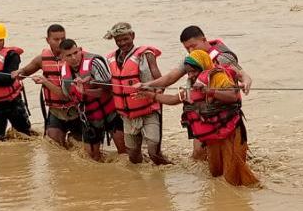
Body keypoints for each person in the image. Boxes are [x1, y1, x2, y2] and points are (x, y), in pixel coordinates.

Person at [138, 50, 258, 186]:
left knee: (234, 172)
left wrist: (209, 91)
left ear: (203, 67)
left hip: (231, 131)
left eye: (194, 71)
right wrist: (150, 95)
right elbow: (172, 99)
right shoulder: (192, 86)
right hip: (213, 135)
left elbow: (232, 96)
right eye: (188, 72)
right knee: (215, 172)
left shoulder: (218, 76)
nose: (191, 75)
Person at [140, 25, 253, 160]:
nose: (191, 50)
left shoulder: (222, 57)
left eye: (193, 46)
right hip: (202, 112)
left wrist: (246, 83)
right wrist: (147, 85)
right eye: (187, 48)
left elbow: (242, 74)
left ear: (204, 40)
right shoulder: (191, 60)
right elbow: (170, 78)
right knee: (198, 154)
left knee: (233, 155)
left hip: (225, 111)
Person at [33, 39, 126, 161]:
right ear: (62, 57)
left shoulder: (95, 63)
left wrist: (87, 89)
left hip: (111, 112)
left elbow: (110, 89)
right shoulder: (64, 72)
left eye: (75, 52)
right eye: (69, 55)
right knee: (92, 158)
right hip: (90, 117)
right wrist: (45, 82)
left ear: (80, 49)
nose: (74, 58)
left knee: (125, 152)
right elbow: (65, 96)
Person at [105, 22, 172, 166]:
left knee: (154, 154)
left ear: (132, 36)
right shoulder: (111, 58)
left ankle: (169, 174)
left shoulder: (146, 55)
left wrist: (154, 94)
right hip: (128, 116)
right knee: (133, 158)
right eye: (119, 40)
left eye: (125, 39)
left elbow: (161, 82)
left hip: (149, 112)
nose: (122, 43)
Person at [12, 24, 80, 146]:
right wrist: (19, 72)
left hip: (77, 110)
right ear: (47, 40)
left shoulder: (76, 57)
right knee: (54, 146)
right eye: (56, 39)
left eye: (63, 39)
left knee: (81, 148)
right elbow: (25, 72)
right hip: (56, 111)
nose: (60, 42)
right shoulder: (42, 59)